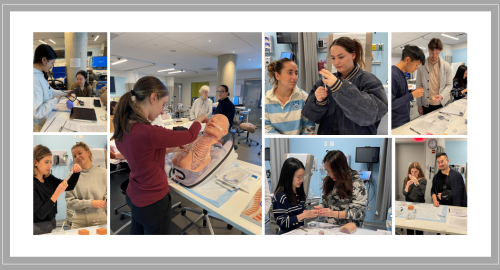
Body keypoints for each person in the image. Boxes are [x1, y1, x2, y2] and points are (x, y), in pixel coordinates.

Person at [112, 76, 207, 235]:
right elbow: (190, 135)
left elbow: (141, 153)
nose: (163, 111)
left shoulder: (124, 126)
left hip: (134, 196)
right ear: (153, 97)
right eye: (163, 104)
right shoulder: (149, 132)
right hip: (153, 202)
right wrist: (199, 119)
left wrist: (169, 149)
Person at [302, 37, 388, 135]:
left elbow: (371, 115)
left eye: (341, 57)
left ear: (353, 55)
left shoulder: (369, 81)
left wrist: (339, 88)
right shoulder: (324, 82)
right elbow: (311, 116)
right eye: (333, 58)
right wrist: (319, 102)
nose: (336, 62)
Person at [33, 145, 82, 235]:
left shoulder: (48, 178)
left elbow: (69, 186)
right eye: (46, 162)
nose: (50, 165)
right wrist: (57, 193)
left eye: (50, 162)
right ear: (35, 162)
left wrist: (76, 173)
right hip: (37, 227)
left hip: (51, 222)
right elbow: (40, 214)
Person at [314, 150, 368, 227]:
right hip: (330, 227)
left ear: (341, 169)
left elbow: (358, 212)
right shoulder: (329, 181)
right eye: (327, 171)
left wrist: (333, 213)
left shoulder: (356, 183)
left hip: (349, 228)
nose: (329, 174)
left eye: (332, 171)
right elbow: (324, 203)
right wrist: (320, 208)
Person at [264, 58, 315, 135]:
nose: (295, 77)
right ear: (277, 76)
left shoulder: (303, 97)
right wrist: (284, 142)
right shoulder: (267, 99)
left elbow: (309, 127)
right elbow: (266, 128)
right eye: (290, 73)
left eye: (296, 73)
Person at [65, 142, 108, 229]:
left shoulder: (104, 173)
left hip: (100, 218)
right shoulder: (71, 176)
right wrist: (90, 203)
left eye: (80, 153)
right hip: (79, 220)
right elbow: (70, 202)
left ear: (88, 152)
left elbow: (108, 194)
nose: (77, 157)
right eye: (74, 156)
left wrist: (107, 200)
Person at [272, 158, 318, 234]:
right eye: (298, 177)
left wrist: (308, 213)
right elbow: (282, 223)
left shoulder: (299, 192)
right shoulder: (280, 197)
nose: (302, 180)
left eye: (303, 176)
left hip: (300, 231)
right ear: (288, 176)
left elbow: (301, 212)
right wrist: (303, 215)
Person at [33, 44, 71, 132]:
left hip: (47, 118)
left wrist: (64, 93)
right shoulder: (33, 79)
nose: (51, 66)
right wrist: (54, 100)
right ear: (44, 60)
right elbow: (37, 112)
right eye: (52, 63)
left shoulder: (40, 75)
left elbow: (49, 90)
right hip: (40, 126)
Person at [416, 38, 453, 115]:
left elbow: (449, 85)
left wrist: (441, 95)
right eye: (432, 52)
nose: (434, 55)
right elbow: (418, 86)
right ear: (428, 50)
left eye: (437, 53)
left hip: (442, 102)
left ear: (440, 52)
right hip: (426, 104)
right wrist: (419, 105)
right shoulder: (421, 66)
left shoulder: (446, 66)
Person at [392, 45, 426, 129]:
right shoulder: (393, 75)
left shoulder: (401, 73)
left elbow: (400, 95)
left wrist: (411, 92)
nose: (417, 68)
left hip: (404, 119)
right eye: (416, 64)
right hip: (396, 123)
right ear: (407, 60)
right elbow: (391, 104)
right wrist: (412, 95)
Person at [402, 162, 427, 235]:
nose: (413, 174)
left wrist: (416, 182)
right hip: (409, 205)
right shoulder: (406, 179)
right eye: (412, 171)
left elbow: (421, 192)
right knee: (409, 227)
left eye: (415, 172)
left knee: (419, 227)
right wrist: (407, 186)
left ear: (419, 171)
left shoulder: (423, 180)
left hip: (419, 205)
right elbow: (404, 193)